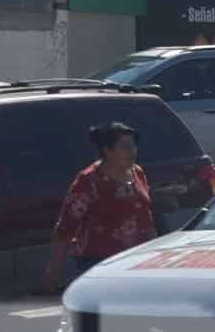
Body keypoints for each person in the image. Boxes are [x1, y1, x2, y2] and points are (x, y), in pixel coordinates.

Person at [44, 120, 157, 293]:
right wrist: (53, 271)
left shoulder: (138, 172)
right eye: (125, 147)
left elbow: (146, 217)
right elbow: (66, 227)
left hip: (136, 262)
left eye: (134, 146)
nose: (132, 151)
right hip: (100, 263)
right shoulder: (89, 181)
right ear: (107, 150)